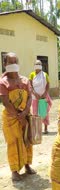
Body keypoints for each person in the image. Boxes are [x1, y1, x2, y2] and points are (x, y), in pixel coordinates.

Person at [0, 52, 36, 181]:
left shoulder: (25, 80)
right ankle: (14, 170)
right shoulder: (3, 82)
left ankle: (27, 165)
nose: (13, 64)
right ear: (5, 64)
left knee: (27, 140)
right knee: (13, 143)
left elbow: (30, 97)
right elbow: (5, 102)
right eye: (10, 62)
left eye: (15, 61)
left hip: (25, 115)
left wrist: (25, 112)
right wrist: (18, 116)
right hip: (11, 118)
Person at [29, 60, 52, 134]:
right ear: (34, 66)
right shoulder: (32, 74)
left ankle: (45, 128)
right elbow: (30, 85)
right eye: (36, 64)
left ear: (41, 66)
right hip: (35, 98)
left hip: (43, 97)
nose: (38, 65)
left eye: (39, 64)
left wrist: (45, 93)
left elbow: (48, 84)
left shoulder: (45, 75)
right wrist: (35, 94)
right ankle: (36, 129)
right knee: (35, 113)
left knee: (44, 112)